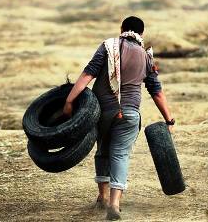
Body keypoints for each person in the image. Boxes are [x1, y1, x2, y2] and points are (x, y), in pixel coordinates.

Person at [63, 16, 175, 221]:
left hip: (103, 112)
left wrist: (70, 100)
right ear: (141, 34)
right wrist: (169, 119)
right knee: (120, 155)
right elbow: (156, 91)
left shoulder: (108, 47)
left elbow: (88, 74)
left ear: (122, 29)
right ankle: (114, 203)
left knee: (103, 150)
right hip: (130, 114)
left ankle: (103, 196)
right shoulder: (146, 56)